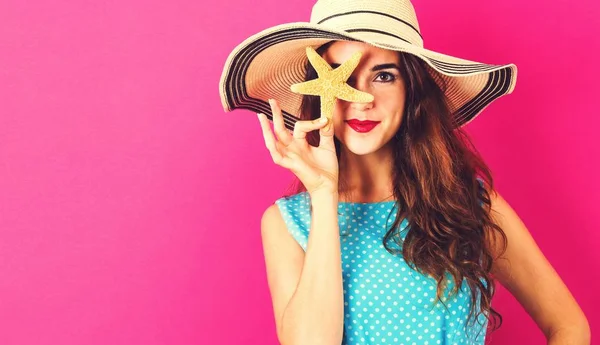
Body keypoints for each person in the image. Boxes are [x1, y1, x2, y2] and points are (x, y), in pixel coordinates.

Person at [219, 1, 590, 344]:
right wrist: (322, 191)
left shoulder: (468, 204)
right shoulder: (289, 222)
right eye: (341, 78)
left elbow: (568, 325)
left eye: (384, 76)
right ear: (321, 93)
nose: (361, 100)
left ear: (411, 88)